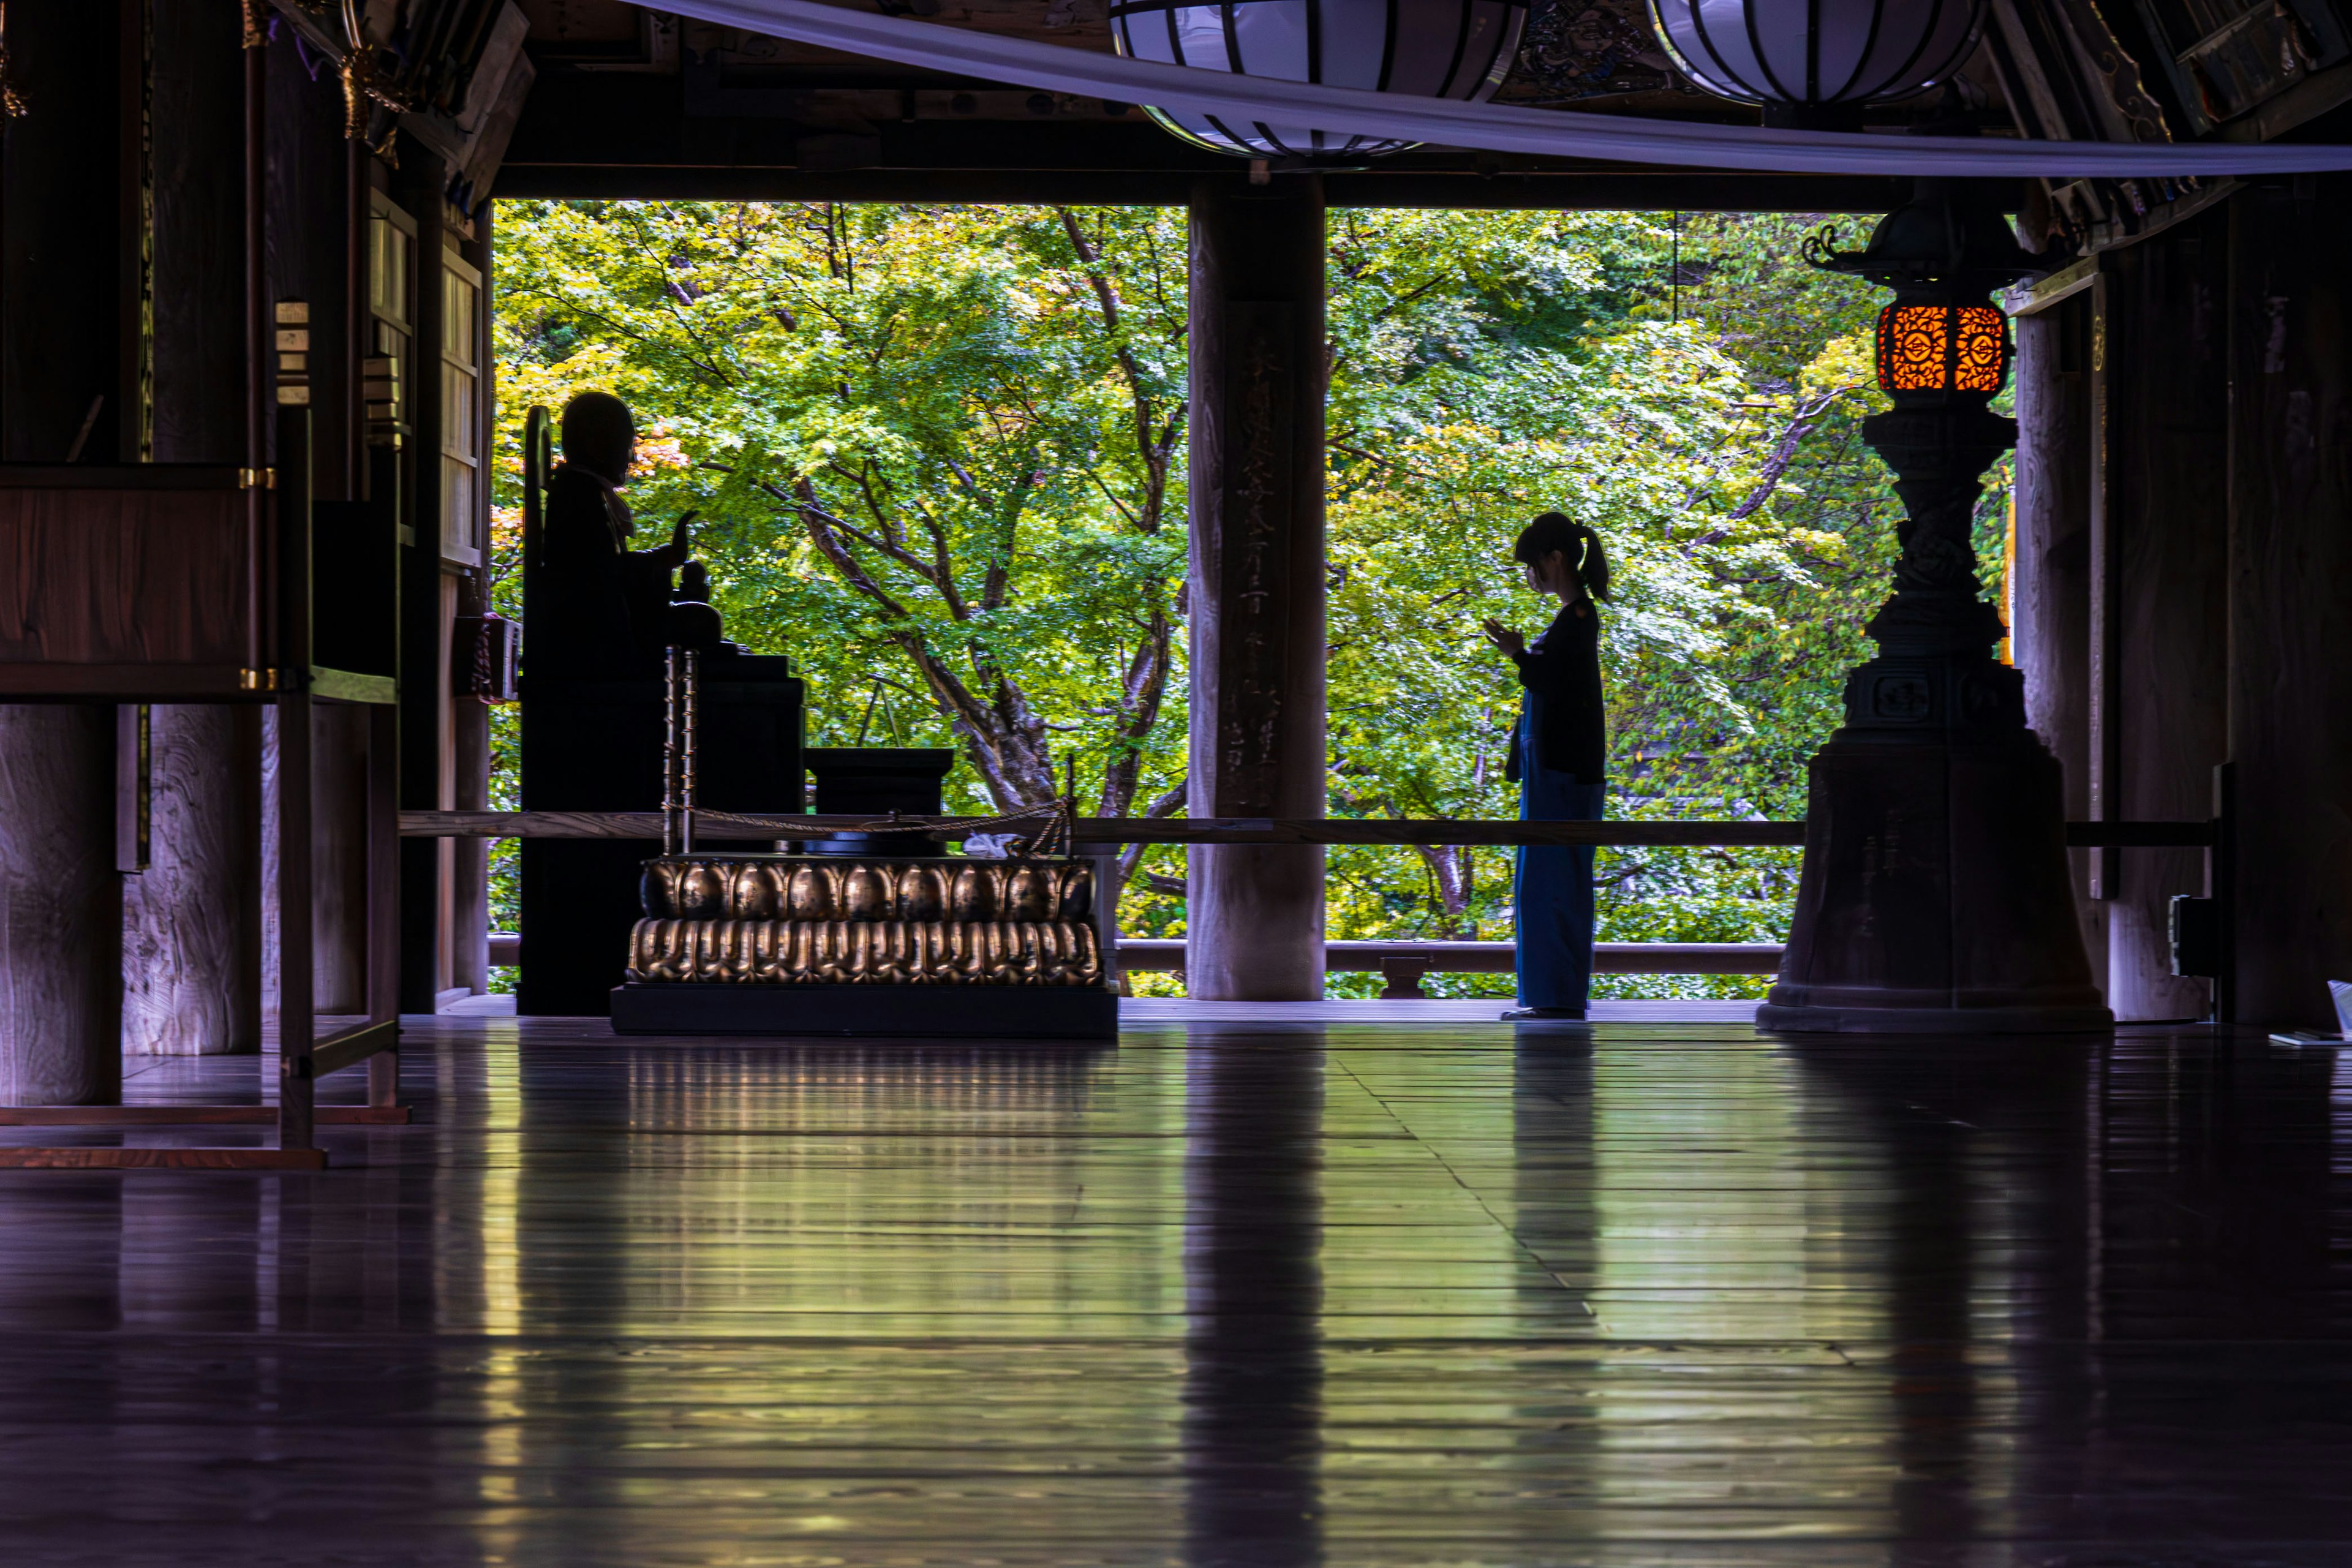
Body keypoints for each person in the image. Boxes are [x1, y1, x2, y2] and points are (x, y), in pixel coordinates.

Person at [1481, 513, 1610, 1023]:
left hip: (1563, 774)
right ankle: (1548, 996)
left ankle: (1558, 998)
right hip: (1553, 772)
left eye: (1532, 566)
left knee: (1555, 879)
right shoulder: (1568, 619)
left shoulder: (1578, 618)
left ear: (1554, 559)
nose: (1530, 577)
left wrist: (1517, 654)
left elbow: (1554, 687)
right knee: (1542, 879)